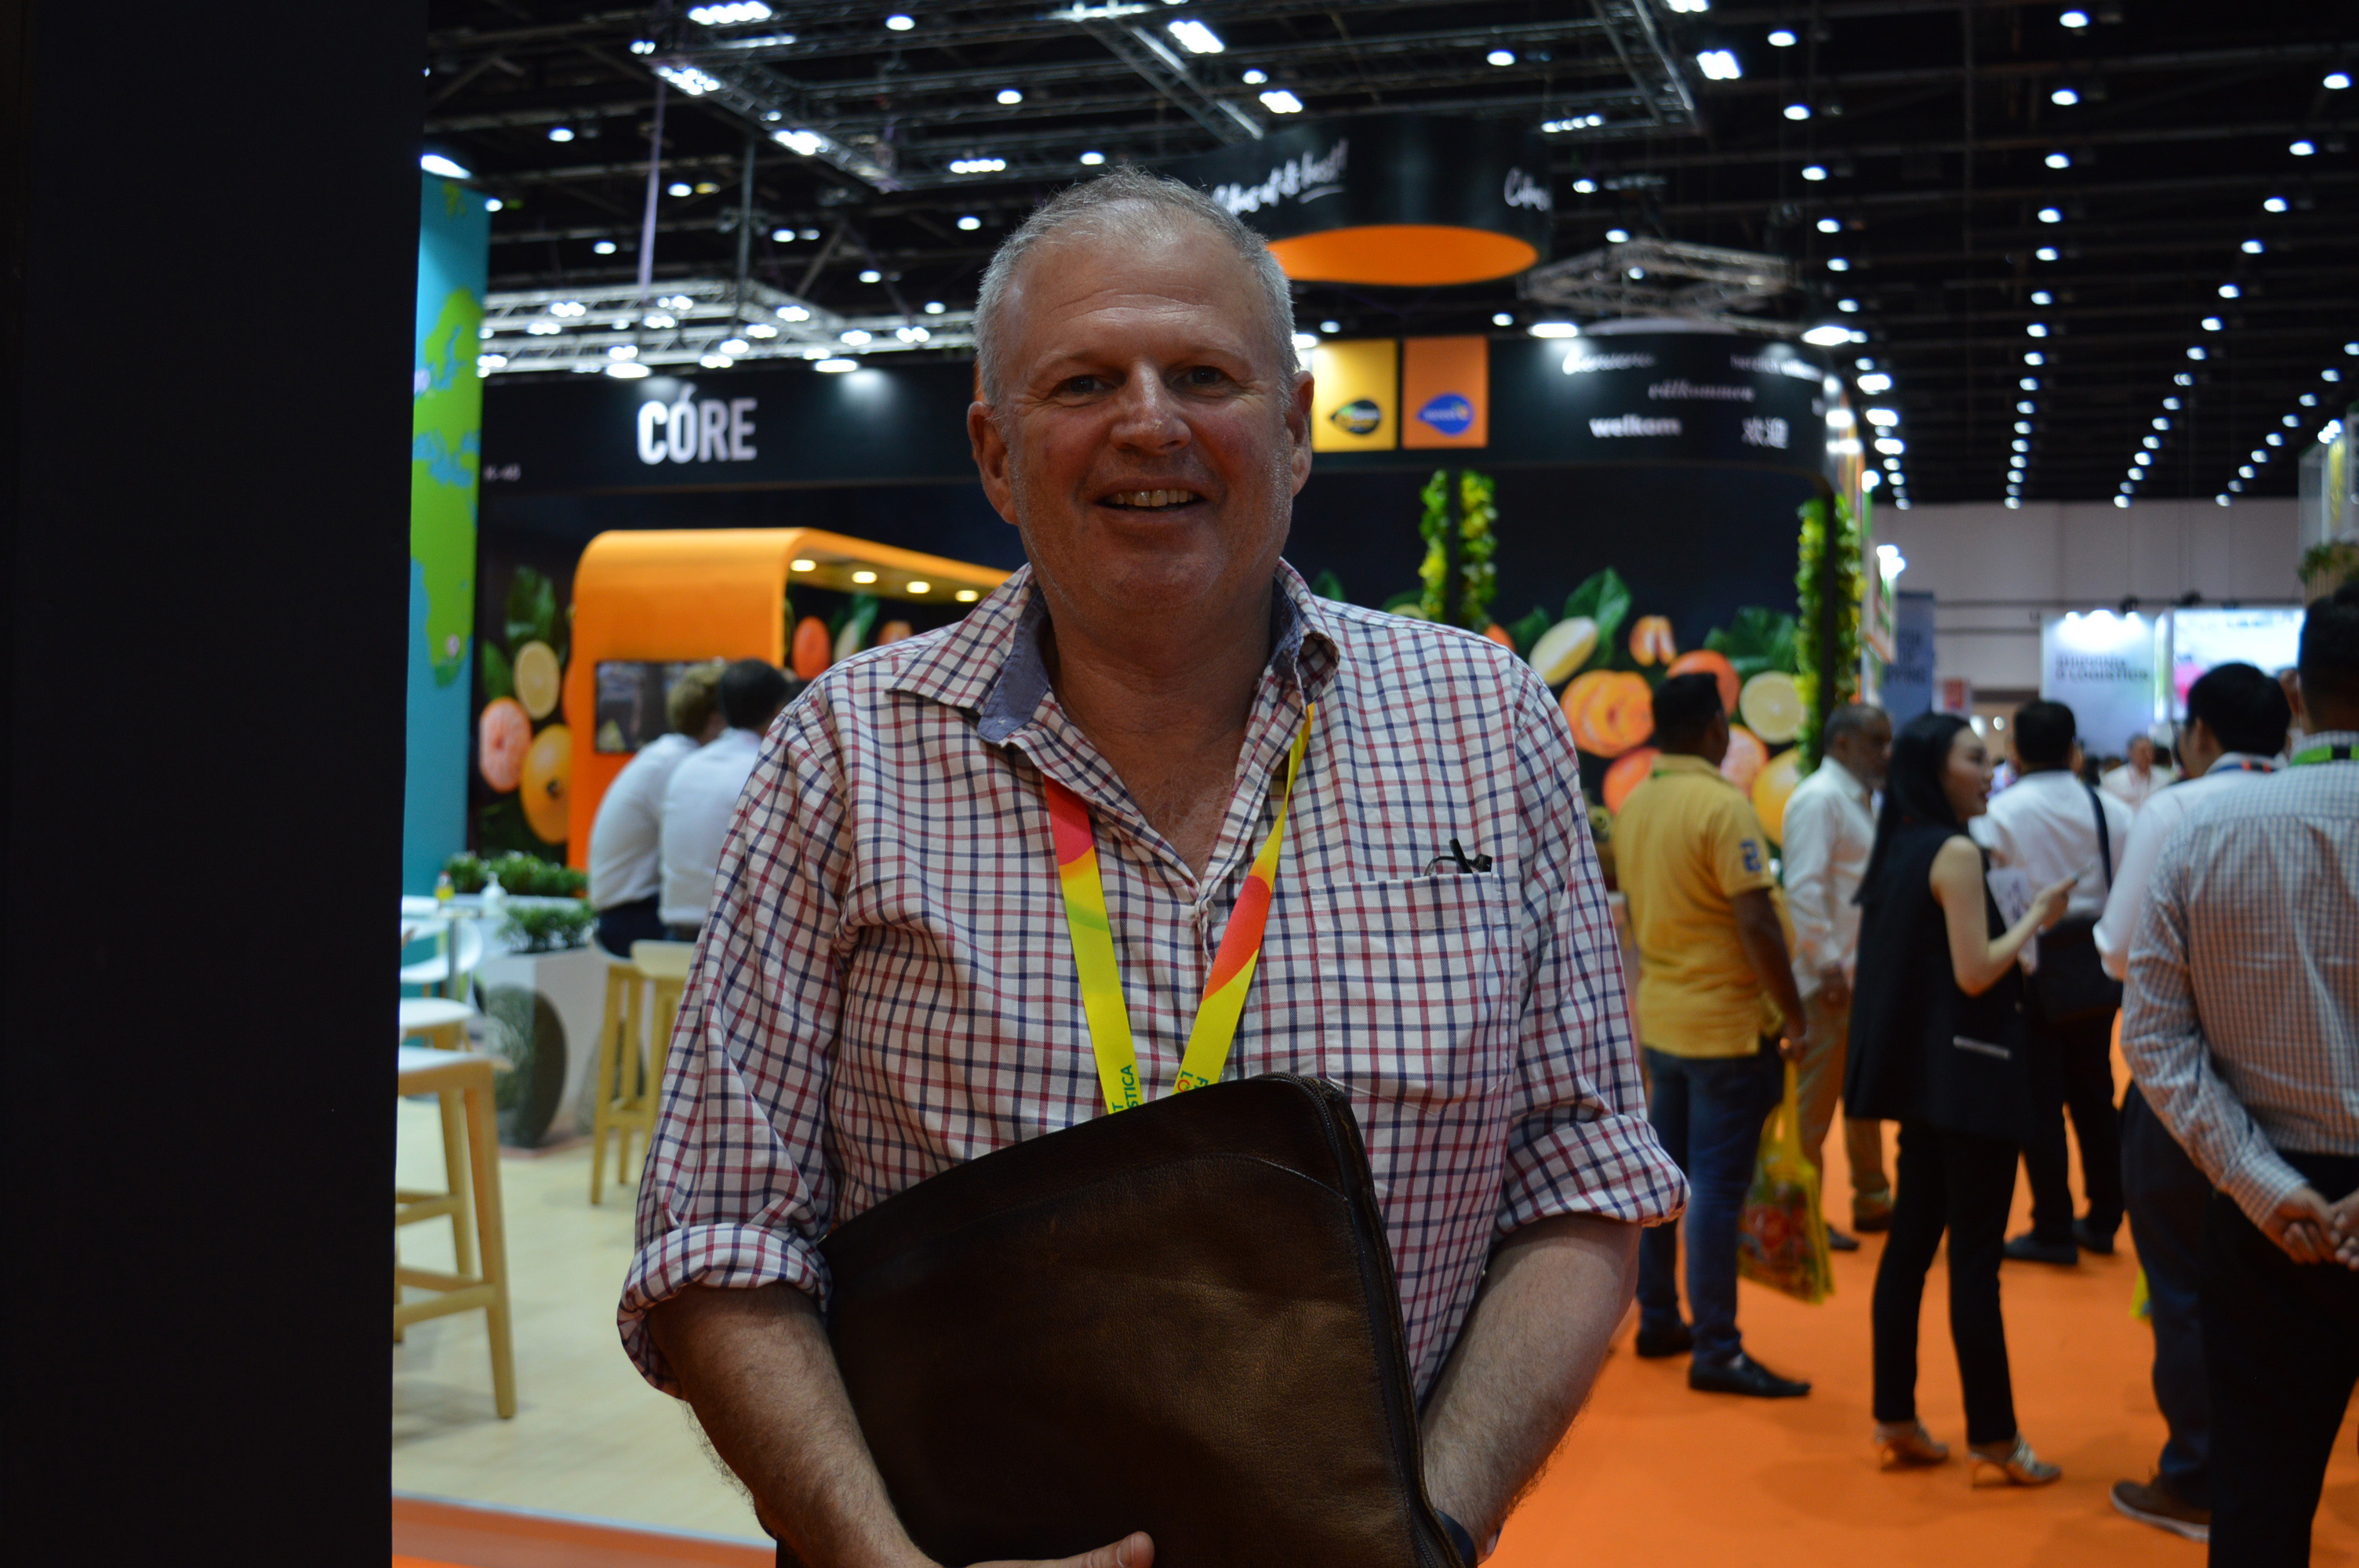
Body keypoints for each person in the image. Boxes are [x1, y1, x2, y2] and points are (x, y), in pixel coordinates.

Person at [619, 168, 1685, 1568]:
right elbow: (718, 1234)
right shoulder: (847, 755)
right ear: (995, 454)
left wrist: (1425, 1534)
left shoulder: (1485, 727)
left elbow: (1581, 1176)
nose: (1148, 423)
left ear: (1293, 430)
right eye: (1082, 383)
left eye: (1202, 374)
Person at [2119, 583, 2359, 1567]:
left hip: (2269, 1216)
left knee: (2257, 1503)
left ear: (2296, 691)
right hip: (2286, 1200)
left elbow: (2152, 1038)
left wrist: (2258, 1183)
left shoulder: (2200, 831)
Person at [2087, 662, 2290, 1542]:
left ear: (2198, 735)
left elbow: (2118, 950)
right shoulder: (2323, 801)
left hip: (2185, 1092)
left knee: (2184, 1288)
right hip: (2304, 1091)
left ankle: (2199, 1474)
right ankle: (2266, 1470)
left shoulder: (2174, 810)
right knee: (2287, 1291)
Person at [1848, 712, 2076, 1486]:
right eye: (1974, 758)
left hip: (1924, 1083)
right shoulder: (1951, 851)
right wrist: (2038, 913)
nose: (1989, 772)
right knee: (1974, 1261)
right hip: (1972, 1081)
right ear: (1933, 768)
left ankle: (1895, 1415)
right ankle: (1995, 1435)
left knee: (1911, 1249)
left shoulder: (1903, 845)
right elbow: (1976, 971)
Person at [1617, 671, 1812, 1399]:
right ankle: (1719, 1350)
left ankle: (1659, 1317)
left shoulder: (1638, 803)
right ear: (1713, 729)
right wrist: (1795, 1017)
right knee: (1715, 1193)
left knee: (1668, 1184)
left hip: (1665, 1021)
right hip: (1728, 1028)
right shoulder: (1723, 806)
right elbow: (1756, 920)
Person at [1972, 699, 2133, 1263]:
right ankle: (2106, 1217)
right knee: (2095, 1094)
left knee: (2038, 1102)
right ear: (2073, 751)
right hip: (2094, 965)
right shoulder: (2114, 810)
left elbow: (1991, 894)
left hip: (2029, 969)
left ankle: (2053, 1226)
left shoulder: (1999, 814)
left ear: (2014, 751)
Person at [1780, 702, 1896, 1247]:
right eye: (1876, 741)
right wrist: (1827, 966)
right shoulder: (1821, 798)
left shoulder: (1856, 799)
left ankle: (1873, 1198)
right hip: (1830, 979)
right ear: (1842, 743)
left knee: (1865, 1095)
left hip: (1855, 976)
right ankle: (1800, 1219)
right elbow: (1802, 889)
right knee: (1814, 1109)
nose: (1885, 753)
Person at [588, 662, 726, 957]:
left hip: (623, 915)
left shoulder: (666, 755)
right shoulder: (680, 765)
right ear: (715, 721)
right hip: (634, 918)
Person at [658, 659, 792, 939]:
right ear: (780, 710)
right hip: (730, 940)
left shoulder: (686, 766)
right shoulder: (766, 769)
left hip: (672, 936)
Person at [2101, 733, 2176, 814]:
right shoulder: (2111, 781)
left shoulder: (2166, 779)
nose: (2148, 755)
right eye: (2143, 751)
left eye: (2150, 751)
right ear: (2130, 752)